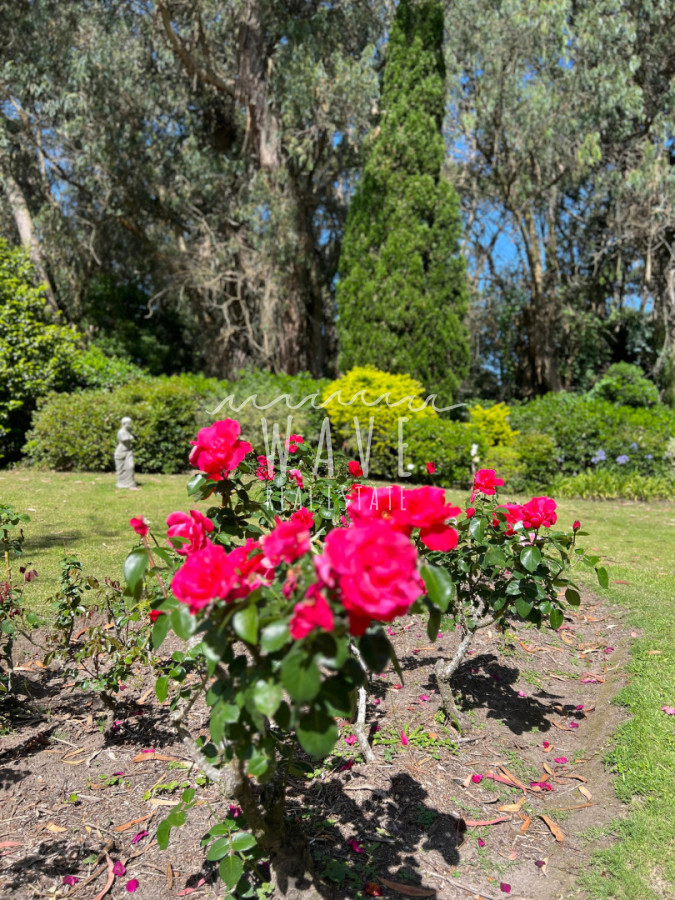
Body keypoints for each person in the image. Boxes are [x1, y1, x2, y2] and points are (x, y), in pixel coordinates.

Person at [115, 416, 139, 490]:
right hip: (120, 453)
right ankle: (122, 483)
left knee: (131, 466)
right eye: (129, 423)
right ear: (124, 424)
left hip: (128, 451)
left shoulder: (129, 431)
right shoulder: (121, 432)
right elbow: (125, 439)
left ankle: (130, 482)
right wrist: (131, 437)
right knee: (121, 470)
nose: (130, 425)